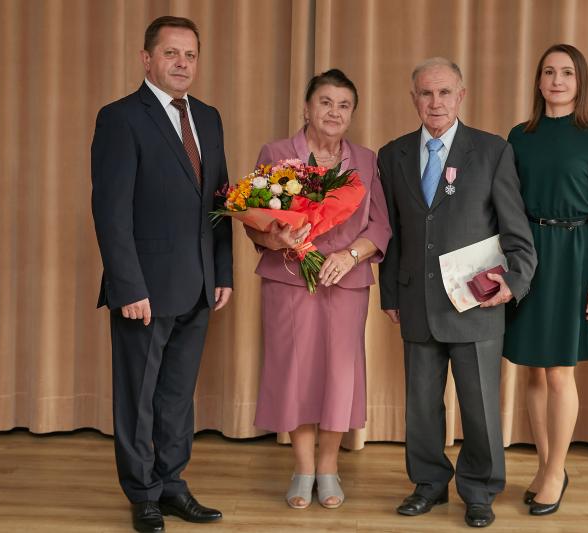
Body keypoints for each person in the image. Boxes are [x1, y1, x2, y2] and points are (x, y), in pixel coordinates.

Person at [378, 58, 537, 528]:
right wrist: (390, 294)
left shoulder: (491, 151)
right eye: (426, 93)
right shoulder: (393, 155)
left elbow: (516, 231)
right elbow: (393, 233)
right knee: (421, 407)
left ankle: (480, 490)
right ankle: (428, 484)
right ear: (413, 99)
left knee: (480, 406)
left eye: (445, 92)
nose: (436, 102)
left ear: (461, 96)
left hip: (476, 304)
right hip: (417, 302)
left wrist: (515, 280)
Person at [91, 16, 233, 533]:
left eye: (190, 55)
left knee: (176, 395)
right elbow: (111, 212)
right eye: (171, 53)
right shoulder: (121, 118)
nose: (181, 64)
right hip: (144, 290)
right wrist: (128, 285)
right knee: (138, 397)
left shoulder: (209, 118)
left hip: (199, 284)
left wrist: (223, 271)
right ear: (146, 58)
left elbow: (221, 200)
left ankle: (172, 484)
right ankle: (143, 493)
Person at [245, 69, 391, 510]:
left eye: (344, 105)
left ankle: (328, 467)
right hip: (289, 279)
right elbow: (254, 222)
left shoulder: (366, 160)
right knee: (294, 371)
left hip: (346, 282)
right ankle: (303, 468)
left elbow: (380, 226)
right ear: (307, 108)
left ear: (353, 114)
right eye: (325, 102)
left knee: (338, 374)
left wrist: (350, 256)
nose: (334, 112)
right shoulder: (277, 153)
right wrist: (278, 238)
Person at [503, 43, 588, 516]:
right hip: (527, 256)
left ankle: (557, 470)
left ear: (580, 82)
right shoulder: (519, 136)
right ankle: (543, 464)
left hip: (575, 256)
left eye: (567, 73)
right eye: (549, 72)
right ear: (538, 81)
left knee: (559, 371)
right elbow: (506, 204)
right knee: (532, 368)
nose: (557, 80)